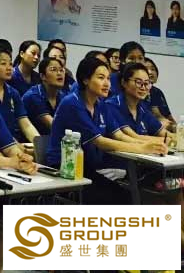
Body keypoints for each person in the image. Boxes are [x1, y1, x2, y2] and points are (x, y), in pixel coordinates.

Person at [46, 57, 167, 202]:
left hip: (86, 167)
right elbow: (100, 142)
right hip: (64, 168)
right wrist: (143, 149)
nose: (107, 83)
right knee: (122, 198)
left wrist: (149, 145)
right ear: (86, 80)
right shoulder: (72, 103)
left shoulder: (100, 104)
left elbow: (119, 135)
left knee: (129, 195)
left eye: (108, 78)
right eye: (101, 78)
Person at [105, 62, 173, 143]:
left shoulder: (142, 109)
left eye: (147, 83)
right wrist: (167, 140)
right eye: (139, 82)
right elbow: (133, 137)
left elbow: (165, 134)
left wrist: (175, 137)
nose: (143, 87)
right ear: (124, 82)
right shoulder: (112, 105)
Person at [0, 47, 39, 143]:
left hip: (14, 144)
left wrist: (39, 144)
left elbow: (26, 124)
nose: (9, 68)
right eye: (3, 64)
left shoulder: (13, 93)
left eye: (10, 64)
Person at [22, 57, 67, 136]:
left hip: (49, 140)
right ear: (43, 76)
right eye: (53, 70)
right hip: (28, 141)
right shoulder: (33, 96)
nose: (59, 73)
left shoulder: (63, 96)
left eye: (61, 70)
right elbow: (53, 125)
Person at [144, 57, 176, 131]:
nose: (150, 72)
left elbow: (169, 116)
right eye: (146, 69)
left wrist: (177, 127)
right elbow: (157, 116)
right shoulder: (139, 93)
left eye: (153, 69)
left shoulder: (157, 92)